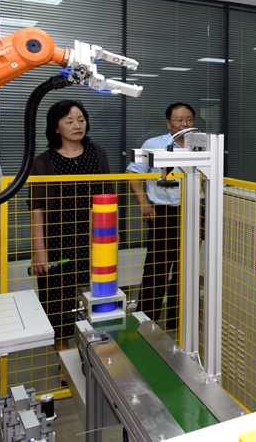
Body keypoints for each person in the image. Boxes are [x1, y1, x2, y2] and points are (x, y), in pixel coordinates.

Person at [29, 100, 112, 369]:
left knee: (95, 297)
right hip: (56, 239)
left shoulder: (97, 153)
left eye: (81, 119)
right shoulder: (43, 162)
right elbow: (37, 209)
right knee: (57, 301)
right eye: (69, 121)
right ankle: (64, 362)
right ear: (56, 128)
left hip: (94, 239)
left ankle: (95, 354)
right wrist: (39, 250)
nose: (77, 125)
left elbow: (107, 195)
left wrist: (111, 235)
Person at [127, 102, 196, 330]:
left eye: (189, 119)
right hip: (163, 213)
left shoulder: (202, 145)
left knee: (186, 269)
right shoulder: (154, 144)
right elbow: (132, 173)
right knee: (156, 269)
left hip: (193, 212)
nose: (184, 124)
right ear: (168, 123)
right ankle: (146, 322)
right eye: (179, 120)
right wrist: (143, 203)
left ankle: (178, 323)